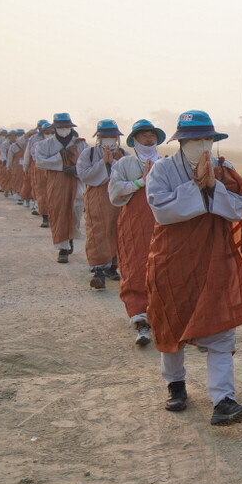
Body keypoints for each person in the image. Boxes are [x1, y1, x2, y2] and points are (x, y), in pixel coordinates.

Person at [145, 110, 242, 426]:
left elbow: (238, 207)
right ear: (181, 142)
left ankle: (223, 400)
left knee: (220, 328)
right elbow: (162, 211)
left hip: (213, 259)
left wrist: (213, 187)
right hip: (173, 260)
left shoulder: (224, 170)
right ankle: (175, 384)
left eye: (207, 138)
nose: (202, 144)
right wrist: (196, 187)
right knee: (171, 322)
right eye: (195, 139)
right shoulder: (163, 170)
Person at [109, 119, 164, 346]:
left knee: (161, 268)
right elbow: (114, 192)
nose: (148, 138)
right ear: (134, 140)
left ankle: (161, 316)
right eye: (143, 135)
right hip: (133, 223)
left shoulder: (165, 163)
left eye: (152, 134)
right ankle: (140, 319)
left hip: (162, 222)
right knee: (134, 267)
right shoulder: (124, 164)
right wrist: (139, 182)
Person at [77, 120, 125, 289]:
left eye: (112, 137)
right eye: (105, 137)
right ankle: (98, 270)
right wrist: (103, 164)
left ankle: (113, 266)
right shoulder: (88, 154)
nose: (109, 140)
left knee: (117, 230)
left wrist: (112, 163)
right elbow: (84, 175)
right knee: (97, 231)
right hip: (97, 196)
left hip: (118, 198)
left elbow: (127, 174)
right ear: (99, 138)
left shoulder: (124, 154)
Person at [35, 113, 86, 263]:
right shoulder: (44, 145)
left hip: (76, 181)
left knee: (75, 210)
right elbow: (40, 162)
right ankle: (62, 248)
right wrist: (62, 158)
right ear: (55, 128)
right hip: (56, 182)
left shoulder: (80, 144)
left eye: (66, 126)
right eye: (60, 127)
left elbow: (87, 161)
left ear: (70, 127)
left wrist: (76, 170)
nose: (64, 129)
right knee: (58, 211)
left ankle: (69, 237)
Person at [31, 122, 56, 227]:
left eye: (51, 132)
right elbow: (34, 157)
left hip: (55, 171)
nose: (49, 134)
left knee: (55, 194)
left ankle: (55, 217)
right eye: (47, 132)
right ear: (43, 133)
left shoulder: (59, 145)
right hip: (41, 171)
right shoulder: (37, 144)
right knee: (42, 194)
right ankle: (45, 217)